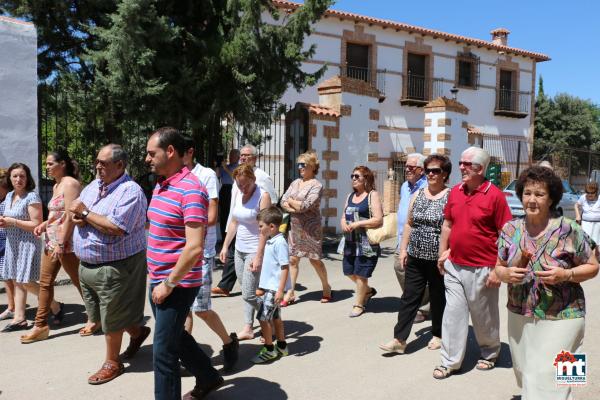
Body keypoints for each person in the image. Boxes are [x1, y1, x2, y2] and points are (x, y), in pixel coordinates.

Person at [496, 166, 599, 399]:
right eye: (527, 193)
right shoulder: (510, 228)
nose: (531, 199)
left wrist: (566, 275)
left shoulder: (569, 229)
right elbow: (497, 267)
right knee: (525, 371)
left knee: (548, 374)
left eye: (539, 194)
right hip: (520, 311)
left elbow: (593, 266)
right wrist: (505, 274)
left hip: (565, 313)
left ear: (551, 198)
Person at [145, 128, 223, 400]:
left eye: (151, 153)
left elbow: (194, 247)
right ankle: (209, 376)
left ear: (170, 152)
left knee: (163, 351)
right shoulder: (162, 183)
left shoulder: (191, 190)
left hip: (176, 283)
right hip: (158, 277)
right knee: (175, 337)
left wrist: (168, 284)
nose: (147, 159)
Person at [71, 144, 150, 385]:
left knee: (112, 316)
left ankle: (112, 362)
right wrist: (79, 217)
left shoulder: (131, 192)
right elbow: (78, 211)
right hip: (88, 264)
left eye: (103, 163)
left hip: (116, 265)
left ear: (120, 165)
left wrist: (85, 215)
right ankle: (137, 332)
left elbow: (117, 228)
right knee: (105, 314)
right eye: (97, 161)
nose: (97, 166)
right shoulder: (94, 186)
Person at [432, 147, 512, 379]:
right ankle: (450, 361)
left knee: (483, 316)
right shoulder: (455, 192)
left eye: (467, 164)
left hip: (484, 268)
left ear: (481, 169)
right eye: (460, 162)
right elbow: (447, 224)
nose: (461, 168)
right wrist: (442, 253)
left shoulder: (495, 195)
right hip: (455, 266)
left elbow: (506, 234)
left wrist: (499, 267)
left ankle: (489, 352)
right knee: (453, 315)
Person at [380, 154, 451, 354]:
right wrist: (403, 249)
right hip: (415, 256)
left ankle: (438, 334)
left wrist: (447, 253)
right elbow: (410, 223)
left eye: (435, 170)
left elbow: (453, 226)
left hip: (438, 259)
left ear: (444, 174)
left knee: (438, 298)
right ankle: (399, 339)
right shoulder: (418, 194)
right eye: (428, 170)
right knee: (409, 297)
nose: (430, 174)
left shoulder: (450, 196)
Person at [20, 150, 91, 343]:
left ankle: (96, 317)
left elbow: (70, 215)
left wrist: (61, 242)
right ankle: (40, 325)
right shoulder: (56, 185)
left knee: (80, 282)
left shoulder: (70, 184)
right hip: (52, 242)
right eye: (46, 164)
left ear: (63, 164)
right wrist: (44, 224)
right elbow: (56, 214)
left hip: (66, 244)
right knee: (45, 283)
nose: (47, 167)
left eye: (50, 163)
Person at [181, 136, 239, 372]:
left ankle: (228, 343)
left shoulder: (205, 175)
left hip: (201, 252)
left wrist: (182, 222)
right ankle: (185, 355)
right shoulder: (172, 178)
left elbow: (212, 217)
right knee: (182, 309)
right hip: (179, 252)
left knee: (201, 309)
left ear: (190, 152)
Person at [212, 144, 276, 296]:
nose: (243, 157)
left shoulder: (262, 176)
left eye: (246, 155)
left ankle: (232, 286)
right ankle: (227, 286)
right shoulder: (238, 175)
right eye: (241, 155)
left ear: (254, 158)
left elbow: (272, 200)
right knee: (234, 253)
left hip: (254, 227)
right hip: (237, 220)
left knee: (245, 256)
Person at [219, 163, 271, 340]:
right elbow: (234, 221)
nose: (242, 188)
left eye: (245, 184)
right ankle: (249, 327)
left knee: (249, 293)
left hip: (254, 249)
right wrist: (226, 246)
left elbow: (265, 229)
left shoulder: (262, 196)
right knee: (246, 291)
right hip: (239, 249)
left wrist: (258, 255)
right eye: (239, 185)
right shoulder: (239, 193)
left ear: (253, 179)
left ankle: (270, 317)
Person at [280, 151, 331, 306]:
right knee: (293, 259)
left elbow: (306, 205)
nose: (300, 167)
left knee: (315, 260)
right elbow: (283, 200)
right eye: (299, 165)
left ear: (312, 167)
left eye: (303, 164)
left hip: (311, 229)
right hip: (295, 227)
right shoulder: (295, 182)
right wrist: (294, 205)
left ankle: (326, 287)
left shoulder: (317, 185)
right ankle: (290, 292)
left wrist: (292, 202)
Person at [0, 163, 45, 332]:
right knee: (17, 280)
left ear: (28, 178)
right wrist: (4, 221)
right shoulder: (10, 195)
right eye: (15, 176)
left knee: (25, 281)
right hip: (13, 243)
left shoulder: (31, 197)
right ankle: (19, 318)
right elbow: (6, 216)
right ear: (10, 178)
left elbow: (37, 224)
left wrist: (13, 222)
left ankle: (54, 304)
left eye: (22, 176)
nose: (19, 179)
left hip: (27, 243)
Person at [340, 166, 383, 318]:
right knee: (348, 271)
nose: (353, 178)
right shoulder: (350, 196)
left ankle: (359, 304)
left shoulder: (372, 195)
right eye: (352, 176)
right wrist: (343, 222)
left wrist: (358, 224)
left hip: (366, 242)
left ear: (366, 179)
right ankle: (368, 291)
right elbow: (344, 215)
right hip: (350, 241)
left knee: (361, 274)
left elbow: (378, 219)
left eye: (357, 176)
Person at [251, 206, 291, 363]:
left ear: (272, 226)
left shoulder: (279, 243)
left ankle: (269, 349)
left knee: (262, 317)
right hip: (270, 287)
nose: (259, 229)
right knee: (275, 317)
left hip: (274, 289)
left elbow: (285, 267)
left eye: (261, 226)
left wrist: (280, 290)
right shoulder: (271, 241)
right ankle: (281, 346)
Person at [395, 153, 429, 323]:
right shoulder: (404, 186)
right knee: (400, 268)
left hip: (418, 239)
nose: (407, 169)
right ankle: (418, 302)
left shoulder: (427, 187)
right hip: (401, 239)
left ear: (421, 170)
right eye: (406, 166)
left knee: (418, 275)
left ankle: (422, 308)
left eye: (411, 167)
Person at [0, 168, 15, 322]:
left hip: (9, 242)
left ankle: (53, 305)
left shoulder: (9, 201)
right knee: (6, 277)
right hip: (2, 242)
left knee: (14, 278)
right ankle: (12, 307)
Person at [216, 149, 240, 240]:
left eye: (232, 155)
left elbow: (235, 178)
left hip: (232, 189)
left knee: (231, 214)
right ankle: (223, 237)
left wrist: (225, 168)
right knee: (223, 215)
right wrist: (218, 165)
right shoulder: (226, 166)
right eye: (230, 155)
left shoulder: (238, 167)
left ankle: (231, 238)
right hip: (224, 189)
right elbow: (217, 175)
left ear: (238, 157)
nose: (230, 157)